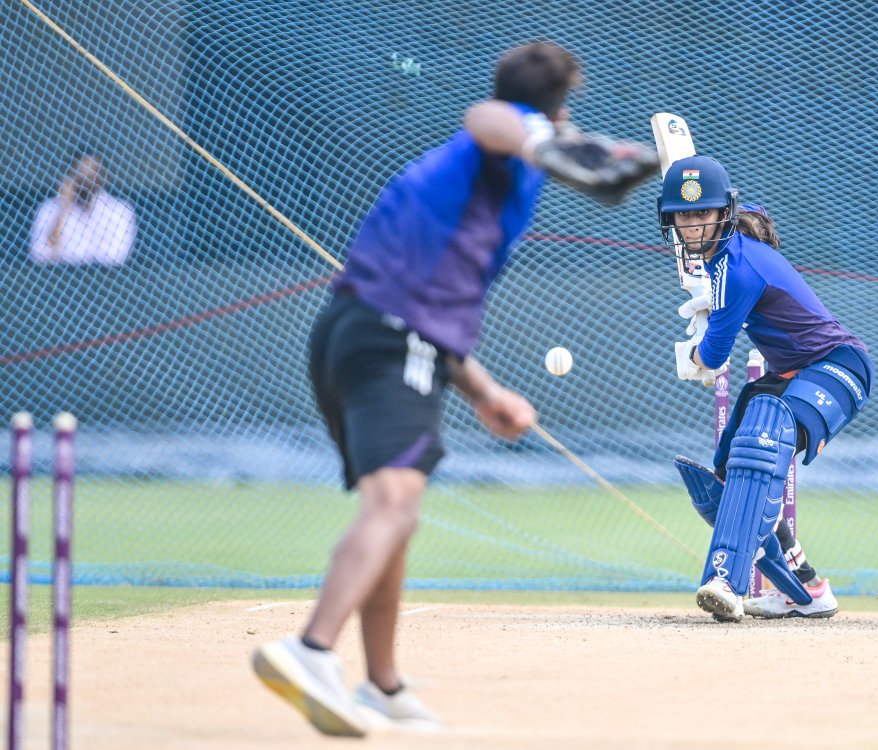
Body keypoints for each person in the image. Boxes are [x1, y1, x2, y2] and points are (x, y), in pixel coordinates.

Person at [251, 42, 658, 736]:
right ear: (557, 109)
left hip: (358, 335)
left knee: (396, 508)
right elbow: (489, 116)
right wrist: (545, 138)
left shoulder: (496, 176)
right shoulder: (495, 136)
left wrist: (485, 392)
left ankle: (382, 683)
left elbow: (433, 312)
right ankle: (313, 649)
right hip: (388, 337)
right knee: (395, 502)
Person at [664, 155, 874, 622]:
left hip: (838, 366)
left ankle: (726, 580)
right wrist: (711, 305)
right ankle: (806, 588)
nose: (693, 226)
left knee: (764, 432)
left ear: (723, 213)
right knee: (730, 474)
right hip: (792, 374)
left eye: (703, 213)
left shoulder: (735, 270)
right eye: (684, 215)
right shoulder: (727, 259)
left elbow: (713, 358)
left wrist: (691, 353)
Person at [29, 148, 137, 266]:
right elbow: (39, 254)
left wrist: (67, 257)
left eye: (92, 175)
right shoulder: (49, 208)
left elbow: (116, 256)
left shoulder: (119, 210)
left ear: (102, 177)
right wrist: (64, 208)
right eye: (82, 175)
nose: (87, 182)